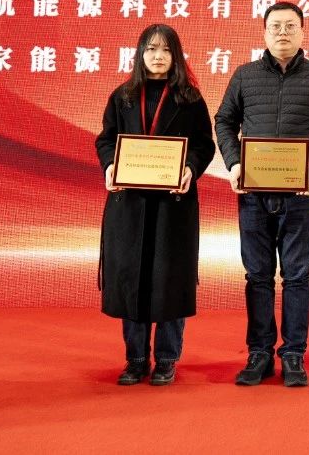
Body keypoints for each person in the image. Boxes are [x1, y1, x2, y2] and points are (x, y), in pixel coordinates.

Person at [214, 2, 309, 387]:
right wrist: (234, 163)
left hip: (299, 193)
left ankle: (294, 355)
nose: (282, 32)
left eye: (290, 26)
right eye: (275, 26)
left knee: (297, 275)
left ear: (302, 32)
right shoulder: (245, 75)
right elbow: (224, 121)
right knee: (258, 275)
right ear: (264, 32)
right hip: (253, 193)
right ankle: (259, 353)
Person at [95, 23, 215, 387]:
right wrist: (110, 165)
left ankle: (166, 359)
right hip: (129, 204)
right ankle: (135, 360)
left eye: (165, 50)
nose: (158, 56)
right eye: (151, 49)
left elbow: (204, 144)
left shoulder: (190, 98)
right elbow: (106, 139)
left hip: (172, 206)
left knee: (169, 281)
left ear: (175, 56)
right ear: (140, 54)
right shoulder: (123, 96)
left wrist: (190, 168)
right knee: (131, 280)